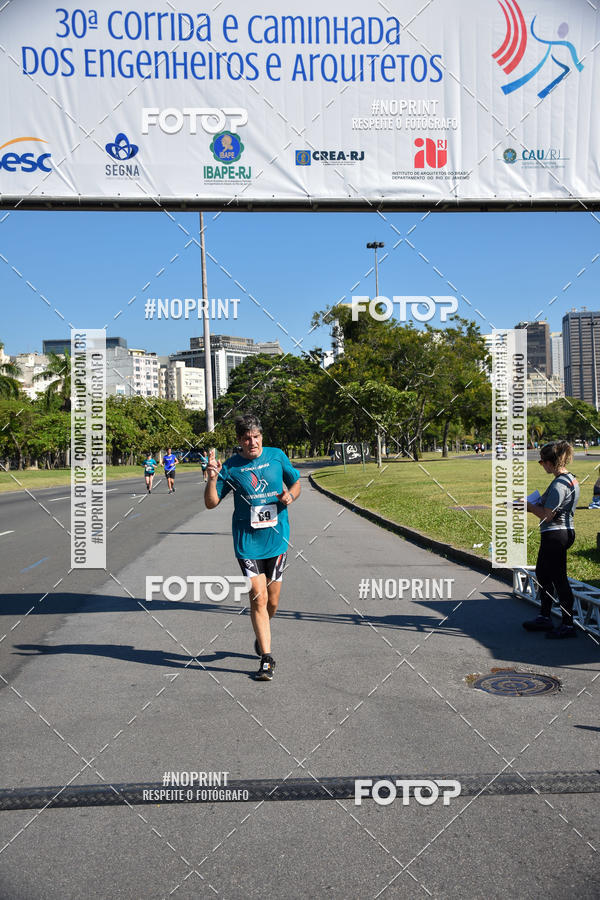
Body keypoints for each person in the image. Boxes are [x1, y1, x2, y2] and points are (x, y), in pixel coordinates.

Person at [204, 414, 301, 681]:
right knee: (258, 598)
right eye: (247, 438)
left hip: (277, 540)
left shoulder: (277, 456)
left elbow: (296, 483)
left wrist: (290, 496)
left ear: (261, 437)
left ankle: (262, 632)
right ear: (239, 440)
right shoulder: (231, 467)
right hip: (247, 543)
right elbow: (211, 503)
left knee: (273, 601)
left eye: (256, 437)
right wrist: (212, 479)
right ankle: (267, 659)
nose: (252, 442)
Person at [523, 441, 580, 638]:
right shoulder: (569, 479)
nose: (541, 465)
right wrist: (531, 505)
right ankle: (545, 616)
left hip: (556, 534)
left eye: (541, 462)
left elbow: (548, 516)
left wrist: (529, 507)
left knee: (559, 579)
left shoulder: (559, 485)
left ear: (549, 462)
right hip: (560, 532)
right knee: (543, 574)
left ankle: (568, 624)